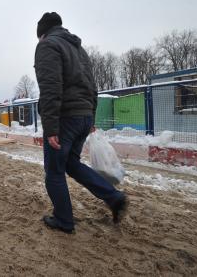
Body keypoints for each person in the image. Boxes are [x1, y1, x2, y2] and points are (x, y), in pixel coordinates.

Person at [34, 12, 128, 234]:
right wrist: (91, 117)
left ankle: (64, 220)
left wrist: (51, 127)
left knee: (54, 171)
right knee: (71, 164)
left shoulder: (48, 46)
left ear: (42, 33)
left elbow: (51, 87)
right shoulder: (79, 49)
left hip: (65, 117)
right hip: (83, 115)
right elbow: (92, 86)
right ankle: (114, 197)